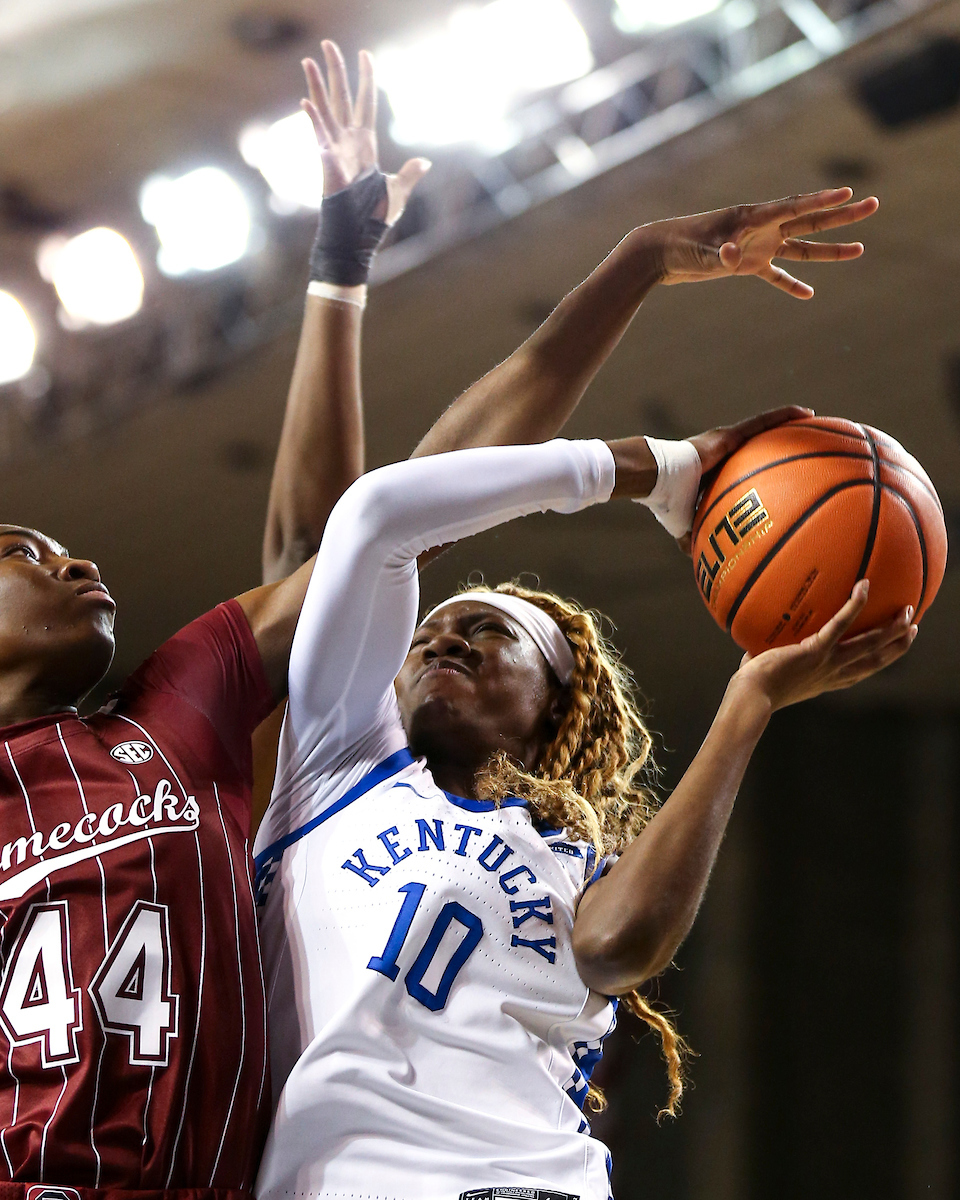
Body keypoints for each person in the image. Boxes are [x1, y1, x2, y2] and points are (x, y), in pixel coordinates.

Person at [251, 430, 915, 1200]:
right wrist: (652, 469)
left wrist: (749, 702)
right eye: (423, 639)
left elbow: (614, 949)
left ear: (557, 700)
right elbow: (370, 515)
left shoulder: (572, 860)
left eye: (487, 632)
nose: (443, 644)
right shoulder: (334, 774)